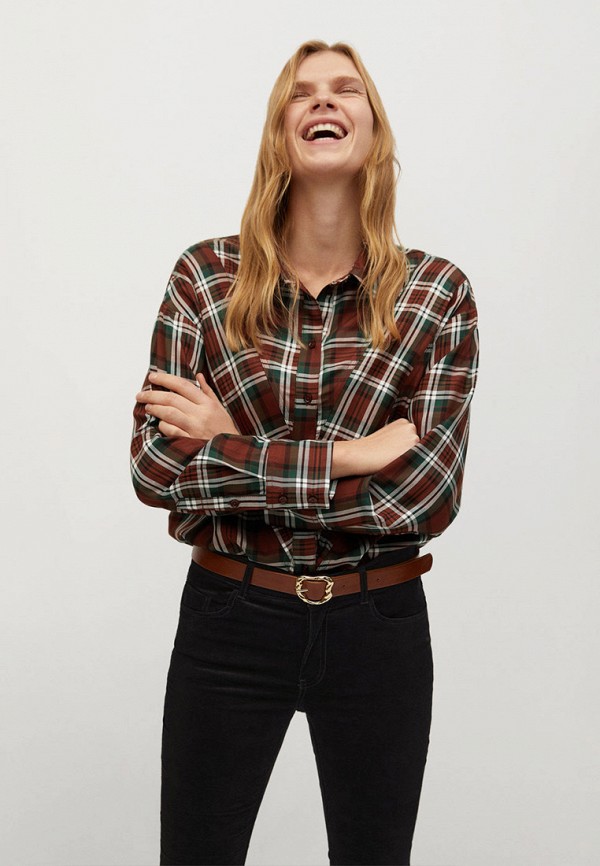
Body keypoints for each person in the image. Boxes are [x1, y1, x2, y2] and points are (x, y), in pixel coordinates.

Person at [130, 39, 479, 866]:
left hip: (378, 624)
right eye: (303, 92)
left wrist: (228, 447)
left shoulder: (437, 295)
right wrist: (353, 457)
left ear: (374, 130)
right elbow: (155, 469)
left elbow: (422, 498)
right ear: (278, 132)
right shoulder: (204, 280)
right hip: (229, 615)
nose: (324, 101)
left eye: (346, 90)